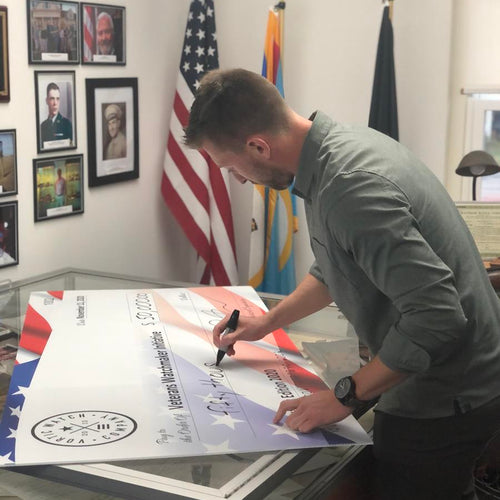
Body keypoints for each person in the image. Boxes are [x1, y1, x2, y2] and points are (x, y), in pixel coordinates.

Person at [184, 68, 500, 500]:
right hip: (450, 378)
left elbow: (438, 318)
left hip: (445, 397)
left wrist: (343, 398)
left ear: (258, 146)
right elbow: (338, 267)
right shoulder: (339, 150)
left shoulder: (348, 186)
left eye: (231, 166)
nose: (237, 179)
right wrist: (265, 323)